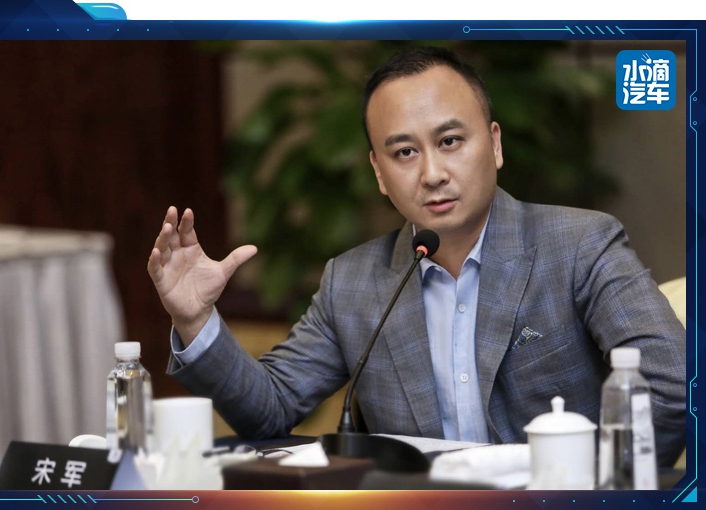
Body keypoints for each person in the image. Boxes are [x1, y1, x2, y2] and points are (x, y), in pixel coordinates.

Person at [148, 47, 686, 467]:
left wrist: (585, 486)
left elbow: (671, 385)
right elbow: (269, 409)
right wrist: (194, 319)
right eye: (405, 152)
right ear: (379, 173)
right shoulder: (352, 282)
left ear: (494, 144)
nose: (431, 173)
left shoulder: (580, 245)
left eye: (450, 141)